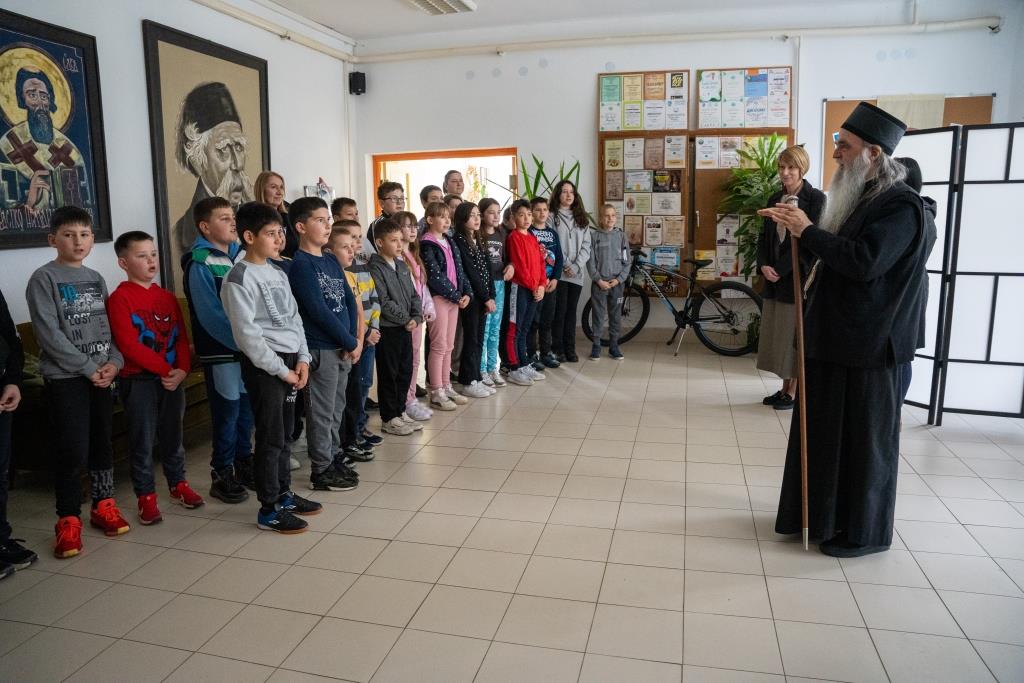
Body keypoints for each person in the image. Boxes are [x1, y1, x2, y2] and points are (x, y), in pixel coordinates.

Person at [760, 102, 929, 558]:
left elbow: (865, 262)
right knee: (829, 436)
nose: (836, 154)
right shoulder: (862, 198)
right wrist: (799, 234)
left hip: (871, 348)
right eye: (838, 143)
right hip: (837, 340)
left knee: (864, 444)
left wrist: (808, 230)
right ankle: (821, 516)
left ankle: (863, 532)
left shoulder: (901, 206)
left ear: (873, 153)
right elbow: (835, 254)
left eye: (845, 146)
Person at [27, 206, 127, 558]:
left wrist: (114, 363)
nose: (78, 241)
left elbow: (110, 328)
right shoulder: (44, 278)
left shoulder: (96, 278)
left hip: (101, 377)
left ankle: (104, 504)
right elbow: (49, 334)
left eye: (84, 234)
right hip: (67, 379)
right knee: (72, 448)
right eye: (69, 235)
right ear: (53, 240)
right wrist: (88, 367)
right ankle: (68, 518)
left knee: (102, 443)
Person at [221, 202, 322, 533]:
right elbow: (248, 337)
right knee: (270, 436)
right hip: (266, 365)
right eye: (270, 233)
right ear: (249, 236)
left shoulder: (278, 271)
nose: (279, 239)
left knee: (286, 434)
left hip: (291, 360)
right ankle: (268, 508)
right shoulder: (238, 277)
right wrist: (282, 370)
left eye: (281, 232)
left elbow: (294, 319)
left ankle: (284, 494)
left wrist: (303, 359)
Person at [107, 231, 203, 525]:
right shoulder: (120, 298)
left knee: (174, 436)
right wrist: (166, 370)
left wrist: (182, 370)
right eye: (142, 256)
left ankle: (178, 484)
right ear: (124, 263)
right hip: (139, 382)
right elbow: (129, 345)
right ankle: (146, 496)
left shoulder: (166, 297)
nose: (150, 261)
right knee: (143, 440)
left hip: (173, 379)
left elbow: (181, 337)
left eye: (153, 254)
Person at [182, 196, 254, 504]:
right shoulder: (200, 261)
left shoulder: (241, 255)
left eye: (232, 217)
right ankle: (222, 471)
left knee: (247, 409)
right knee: (228, 411)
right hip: (222, 350)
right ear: (205, 226)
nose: (232, 222)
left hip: (249, 350)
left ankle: (244, 462)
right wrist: (244, 341)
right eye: (224, 218)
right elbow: (210, 314)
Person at [287, 197, 360, 492]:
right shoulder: (301, 264)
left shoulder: (329, 259)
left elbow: (348, 300)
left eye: (328, 219)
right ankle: (321, 469)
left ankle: (333, 456)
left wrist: (353, 339)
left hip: (342, 347)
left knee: (337, 408)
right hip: (321, 348)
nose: (328, 225)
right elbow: (317, 310)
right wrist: (348, 340)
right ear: (301, 227)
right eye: (320, 220)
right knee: (321, 412)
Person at [756, 145, 826, 411]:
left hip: (796, 277)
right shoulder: (775, 197)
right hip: (773, 277)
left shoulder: (815, 199)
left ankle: (793, 392)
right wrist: (764, 265)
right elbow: (764, 237)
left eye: (791, 167)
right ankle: (784, 387)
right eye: (782, 167)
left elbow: (810, 242)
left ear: (802, 169)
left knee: (794, 334)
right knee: (780, 335)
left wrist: (781, 269)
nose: (785, 173)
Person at [173, 83, 255, 252]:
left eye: (238, 147)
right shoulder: (180, 235)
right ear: (198, 159)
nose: (238, 164)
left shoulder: (253, 218)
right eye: (223, 149)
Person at [369, 219, 424, 435]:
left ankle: (400, 411)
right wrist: (405, 318)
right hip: (388, 328)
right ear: (380, 242)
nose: (400, 245)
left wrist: (416, 316)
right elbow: (383, 301)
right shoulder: (375, 267)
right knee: (389, 374)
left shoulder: (401, 265)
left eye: (401, 240)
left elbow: (414, 295)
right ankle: (389, 417)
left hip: (405, 327)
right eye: (394, 240)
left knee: (404, 371)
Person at [326, 222, 374, 471]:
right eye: (346, 245)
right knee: (340, 402)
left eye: (355, 242)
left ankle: (351, 438)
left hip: (356, 344)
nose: (354, 248)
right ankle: (340, 446)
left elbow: (359, 312)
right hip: (342, 347)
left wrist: (360, 340)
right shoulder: (332, 276)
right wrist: (351, 342)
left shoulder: (352, 275)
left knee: (354, 395)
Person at [894, 157, 938, 406]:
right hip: (910, 286)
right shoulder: (918, 209)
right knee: (900, 353)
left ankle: (895, 410)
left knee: (900, 353)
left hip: (908, 290)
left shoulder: (915, 212)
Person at [0, 288, 38, 577]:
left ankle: (1, 538)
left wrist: (13, 381)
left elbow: (11, 339)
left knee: (0, 472)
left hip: (3, 394)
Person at [420, 202, 471, 410]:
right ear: (430, 219)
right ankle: (436, 391)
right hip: (440, 299)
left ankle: (446, 385)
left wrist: (466, 292)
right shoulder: (426, 244)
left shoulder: (449, 241)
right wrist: (455, 295)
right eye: (442, 217)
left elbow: (460, 270)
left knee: (449, 345)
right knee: (439, 345)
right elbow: (434, 276)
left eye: (448, 217)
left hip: (454, 299)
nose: (447, 220)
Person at [394, 211, 436, 419]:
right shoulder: (396, 257)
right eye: (407, 226)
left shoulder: (412, 253)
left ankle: (410, 398)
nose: (413, 230)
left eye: (414, 226)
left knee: (415, 360)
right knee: (406, 361)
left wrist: (428, 306)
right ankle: (404, 400)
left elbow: (422, 285)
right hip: (406, 319)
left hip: (418, 317)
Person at [452, 202, 497, 398]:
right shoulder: (459, 240)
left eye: (478, 215)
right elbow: (470, 272)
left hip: (483, 297)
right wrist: (485, 297)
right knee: (471, 339)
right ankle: (468, 381)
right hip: (472, 297)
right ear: (462, 219)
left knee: (479, 338)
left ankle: (476, 377)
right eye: (472, 215)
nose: (477, 219)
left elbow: (488, 270)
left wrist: (492, 295)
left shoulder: (478, 238)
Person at [504, 199, 548, 386]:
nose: (526, 218)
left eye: (529, 214)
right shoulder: (514, 237)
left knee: (525, 329)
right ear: (513, 217)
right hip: (521, 289)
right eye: (521, 215)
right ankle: (513, 367)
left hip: (534, 290)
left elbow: (541, 264)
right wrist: (533, 286)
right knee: (515, 329)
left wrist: (542, 286)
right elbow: (520, 266)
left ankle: (523, 363)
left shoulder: (532, 237)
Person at [348, 220, 384, 446]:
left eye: (359, 237)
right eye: (353, 237)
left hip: (370, 336)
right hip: (357, 338)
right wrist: (367, 331)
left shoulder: (363, 266)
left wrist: (375, 327)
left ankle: (361, 425)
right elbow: (351, 310)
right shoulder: (342, 269)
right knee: (353, 386)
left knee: (365, 383)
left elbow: (374, 298)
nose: (358, 242)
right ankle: (352, 429)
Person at [549, 180, 592, 363]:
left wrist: (576, 266)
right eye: (564, 191)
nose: (568, 195)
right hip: (559, 272)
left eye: (571, 192)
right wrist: (566, 264)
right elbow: (552, 244)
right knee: (559, 312)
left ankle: (570, 348)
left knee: (571, 312)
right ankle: (557, 349)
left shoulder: (581, 218)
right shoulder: (551, 216)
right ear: (558, 194)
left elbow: (587, 245)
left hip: (576, 273)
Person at [587, 204, 630, 361]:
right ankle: (596, 345)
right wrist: (598, 280)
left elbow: (627, 262)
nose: (610, 218)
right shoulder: (594, 237)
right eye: (606, 215)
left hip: (617, 284)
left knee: (615, 315)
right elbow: (590, 262)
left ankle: (614, 346)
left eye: (613, 215)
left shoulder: (621, 236)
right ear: (600, 218)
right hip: (599, 284)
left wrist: (618, 280)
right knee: (598, 315)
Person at [527, 196, 563, 369]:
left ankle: (546, 352)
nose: (542, 213)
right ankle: (531, 353)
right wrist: (538, 282)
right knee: (533, 321)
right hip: (534, 286)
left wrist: (555, 278)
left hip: (550, 285)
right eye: (538, 210)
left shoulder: (553, 234)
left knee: (547, 320)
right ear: (531, 212)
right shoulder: (528, 232)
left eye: (545, 210)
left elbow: (559, 258)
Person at [479, 198, 512, 387]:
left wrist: (511, 266)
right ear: (482, 214)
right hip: (484, 287)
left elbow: (507, 258)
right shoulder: (478, 234)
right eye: (491, 212)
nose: (496, 216)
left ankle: (493, 368)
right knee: (484, 329)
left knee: (495, 329)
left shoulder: (502, 233)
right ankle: (482, 369)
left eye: (498, 212)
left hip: (499, 284)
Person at [255, 171, 297, 258]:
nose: (279, 192)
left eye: (281, 187)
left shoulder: (287, 217)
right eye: (273, 187)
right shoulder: (254, 218)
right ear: (262, 190)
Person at [365, 182, 405, 255]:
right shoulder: (378, 224)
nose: (399, 202)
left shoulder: (406, 222)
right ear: (382, 203)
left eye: (402, 198)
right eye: (394, 198)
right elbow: (378, 252)